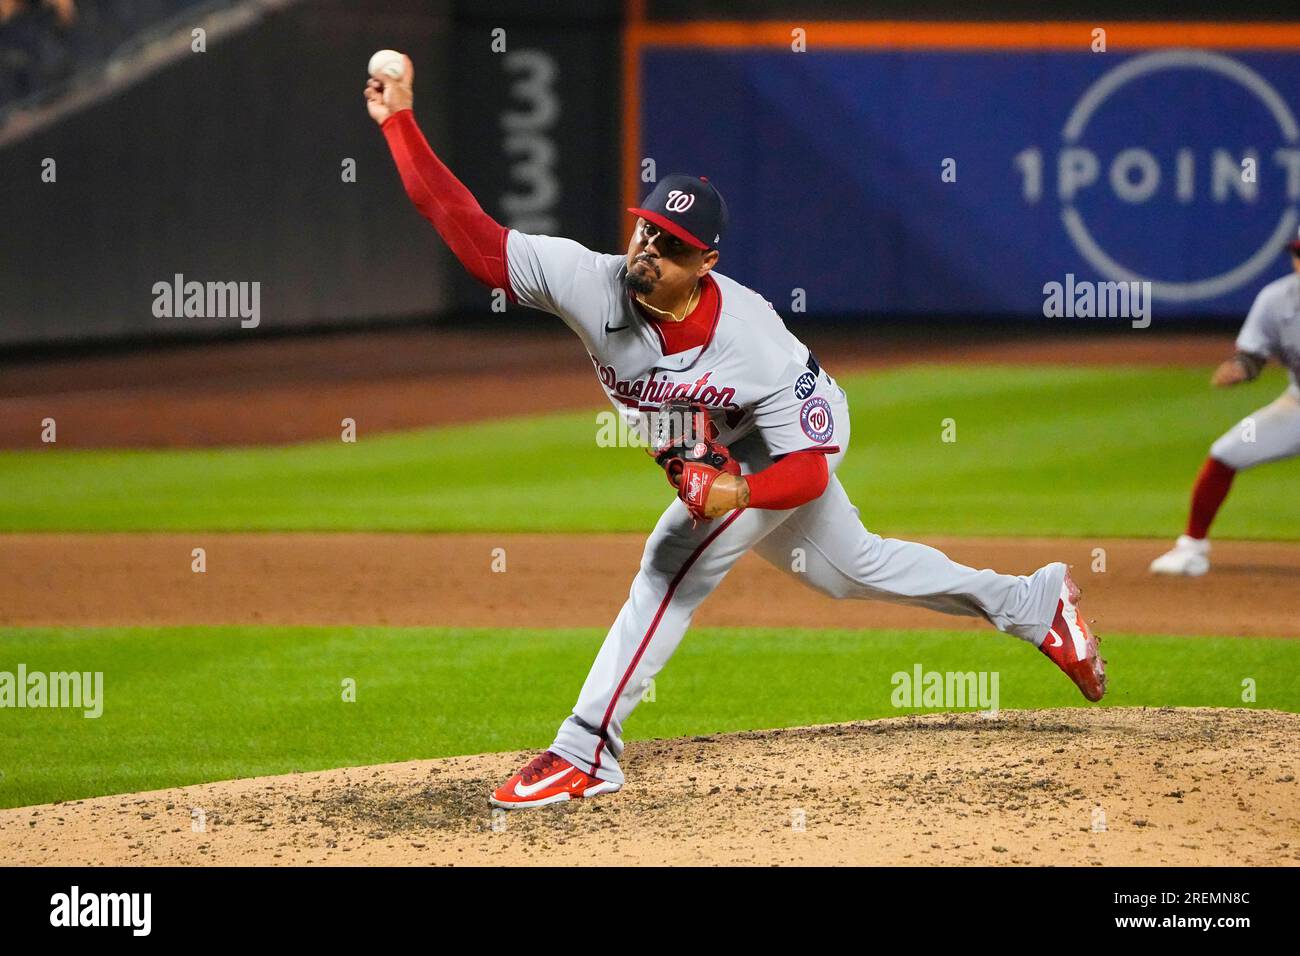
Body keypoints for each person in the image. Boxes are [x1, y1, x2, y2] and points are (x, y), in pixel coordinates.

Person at [365, 54, 1106, 810]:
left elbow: (810, 470)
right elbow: (467, 230)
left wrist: (736, 489)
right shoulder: (588, 281)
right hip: (713, 443)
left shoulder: (754, 342)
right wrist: (399, 122)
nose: (648, 252)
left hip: (784, 443)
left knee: (669, 566)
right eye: (646, 232)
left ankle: (586, 749)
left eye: (672, 245)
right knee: (847, 569)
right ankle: (1032, 603)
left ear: (706, 262)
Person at [1150, 232, 1300, 577]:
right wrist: (1239, 369)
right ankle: (1191, 549)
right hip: (1297, 404)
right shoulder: (1276, 299)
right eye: (1297, 254)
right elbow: (1253, 355)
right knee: (1225, 452)